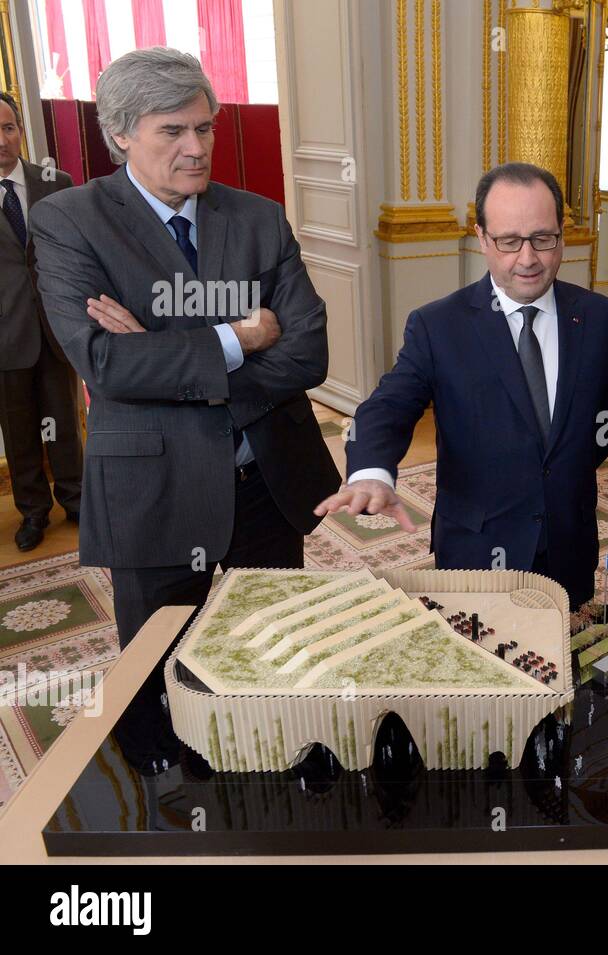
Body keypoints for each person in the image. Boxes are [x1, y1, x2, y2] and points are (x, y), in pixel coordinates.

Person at [29, 48, 338, 766]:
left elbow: (308, 354)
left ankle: (270, 777)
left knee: (270, 658)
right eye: (173, 131)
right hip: (155, 493)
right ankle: (177, 808)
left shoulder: (259, 217)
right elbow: (103, 362)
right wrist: (240, 335)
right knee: (161, 676)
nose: (196, 148)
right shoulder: (70, 222)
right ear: (122, 133)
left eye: (204, 127)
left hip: (266, 485)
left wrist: (171, 357)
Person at [317, 162, 608, 607]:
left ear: (561, 234)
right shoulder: (438, 325)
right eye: (508, 241)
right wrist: (371, 471)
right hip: (477, 549)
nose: (528, 258)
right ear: (481, 237)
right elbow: (389, 406)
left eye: (543, 238)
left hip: (568, 543)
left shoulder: (599, 317)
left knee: (561, 661)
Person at [0, 91, 82, 551]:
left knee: (64, 418)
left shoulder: (56, 182)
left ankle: (77, 498)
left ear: (21, 132)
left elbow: (76, 254)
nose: (1, 139)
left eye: (9, 127)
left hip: (56, 326)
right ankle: (33, 511)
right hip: (5, 333)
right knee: (20, 427)